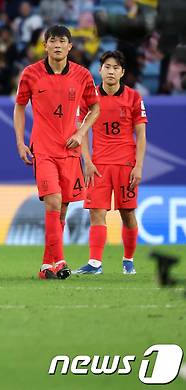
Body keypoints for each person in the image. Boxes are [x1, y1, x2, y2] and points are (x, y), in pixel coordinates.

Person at [14, 25, 100, 280]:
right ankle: (60, 261)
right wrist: (20, 141)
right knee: (52, 202)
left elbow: (95, 109)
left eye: (63, 41)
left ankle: (45, 266)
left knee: (61, 210)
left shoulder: (83, 75)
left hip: (70, 151)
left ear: (70, 46)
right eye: (53, 41)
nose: (58, 45)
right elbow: (19, 107)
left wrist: (80, 133)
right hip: (43, 150)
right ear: (45, 46)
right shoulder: (30, 74)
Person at [75, 51, 147, 275]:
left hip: (126, 164)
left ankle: (128, 260)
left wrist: (138, 166)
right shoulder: (89, 97)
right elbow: (81, 133)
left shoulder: (134, 97)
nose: (111, 71)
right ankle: (95, 263)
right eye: (107, 67)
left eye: (116, 68)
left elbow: (141, 135)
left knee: (127, 213)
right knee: (96, 212)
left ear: (122, 72)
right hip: (98, 164)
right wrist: (86, 160)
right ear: (100, 70)